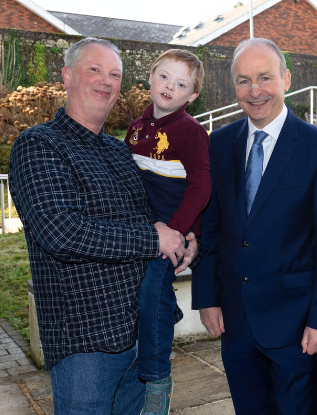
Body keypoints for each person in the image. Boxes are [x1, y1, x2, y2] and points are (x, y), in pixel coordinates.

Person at [8, 37, 199, 414]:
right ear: (67, 76)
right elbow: (61, 232)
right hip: (86, 346)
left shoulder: (121, 149)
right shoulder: (40, 145)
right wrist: (154, 238)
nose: (106, 81)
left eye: (114, 74)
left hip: (142, 337)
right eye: (94, 69)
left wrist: (187, 238)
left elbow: (159, 213)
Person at [191, 38, 317, 415]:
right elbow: (211, 228)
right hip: (235, 321)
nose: (255, 90)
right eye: (243, 81)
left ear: (286, 79)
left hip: (296, 324)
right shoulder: (219, 144)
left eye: (264, 77)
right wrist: (207, 297)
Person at [124, 49, 211, 415]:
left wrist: (178, 230)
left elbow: (201, 186)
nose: (169, 87)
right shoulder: (136, 127)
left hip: (172, 228)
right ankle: (163, 312)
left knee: (151, 287)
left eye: (181, 84)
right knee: (145, 296)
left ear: (192, 95)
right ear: (150, 77)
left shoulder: (191, 131)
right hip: (141, 227)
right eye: (164, 77)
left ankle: (157, 378)